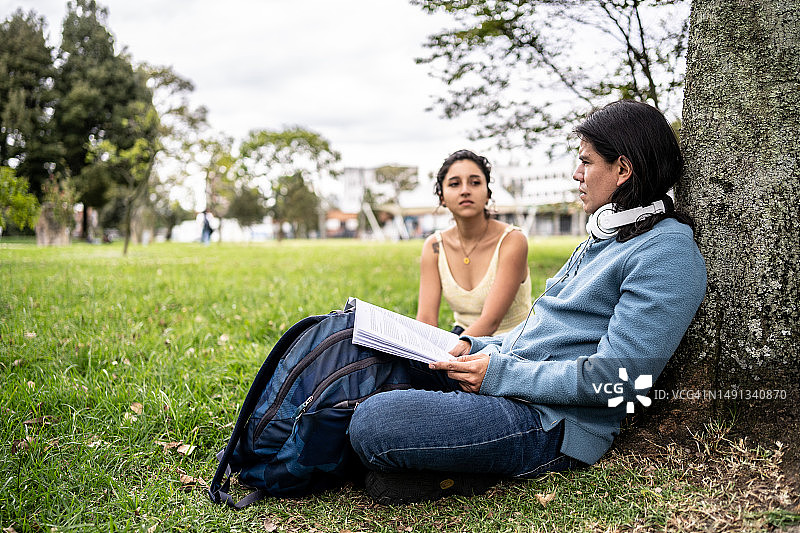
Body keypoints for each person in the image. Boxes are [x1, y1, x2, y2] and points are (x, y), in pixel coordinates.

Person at [348, 100, 707, 504]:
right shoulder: (606, 236)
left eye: (585, 162)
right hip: (507, 379)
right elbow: (538, 333)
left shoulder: (666, 254)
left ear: (622, 169)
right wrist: (476, 345)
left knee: (375, 420)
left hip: (549, 422)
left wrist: (499, 374)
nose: (576, 174)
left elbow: (620, 380)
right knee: (367, 351)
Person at [416, 150, 532, 336]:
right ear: (442, 197)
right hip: (463, 334)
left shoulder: (512, 240)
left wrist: (451, 352)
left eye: (475, 182)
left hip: (513, 341)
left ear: (487, 194)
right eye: (454, 184)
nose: (465, 191)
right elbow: (426, 321)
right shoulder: (435, 247)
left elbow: (491, 322)